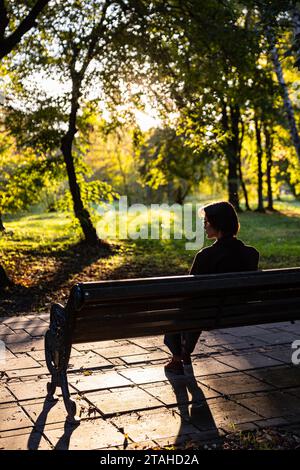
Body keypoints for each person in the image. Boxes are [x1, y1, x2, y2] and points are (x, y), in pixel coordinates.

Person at [164, 201, 259, 375]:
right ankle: (183, 354)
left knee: (185, 311)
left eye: (206, 221)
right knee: (200, 308)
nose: (204, 225)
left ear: (218, 224)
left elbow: (189, 293)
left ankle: (178, 357)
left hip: (208, 313)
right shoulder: (251, 253)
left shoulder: (205, 256)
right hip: (239, 311)